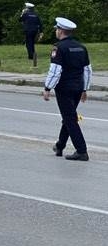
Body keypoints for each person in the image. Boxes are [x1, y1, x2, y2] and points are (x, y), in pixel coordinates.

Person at [42, 17, 91, 161]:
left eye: (57, 29)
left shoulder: (59, 48)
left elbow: (55, 70)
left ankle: (81, 151)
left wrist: (47, 87)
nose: (56, 31)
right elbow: (87, 70)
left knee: (70, 119)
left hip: (64, 88)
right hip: (77, 88)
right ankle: (60, 145)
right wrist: (84, 89)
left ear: (61, 31)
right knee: (68, 117)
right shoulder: (81, 47)